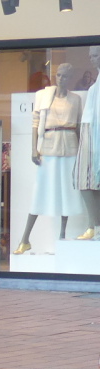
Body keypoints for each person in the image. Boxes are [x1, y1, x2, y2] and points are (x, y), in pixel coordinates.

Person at [14, 63, 86, 254]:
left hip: (70, 146)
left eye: (66, 76)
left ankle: (62, 236)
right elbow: (35, 122)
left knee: (67, 192)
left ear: (71, 78)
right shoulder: (44, 97)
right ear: (56, 76)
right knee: (40, 192)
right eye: (59, 75)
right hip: (48, 146)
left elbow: (78, 126)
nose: (62, 79)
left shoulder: (76, 99)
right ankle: (24, 239)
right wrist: (33, 149)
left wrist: (81, 152)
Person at [75, 46, 100, 240]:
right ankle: (94, 225)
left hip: (95, 135)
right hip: (90, 134)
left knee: (91, 182)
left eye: (96, 55)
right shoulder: (94, 86)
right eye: (90, 56)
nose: (92, 59)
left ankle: (94, 226)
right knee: (85, 181)